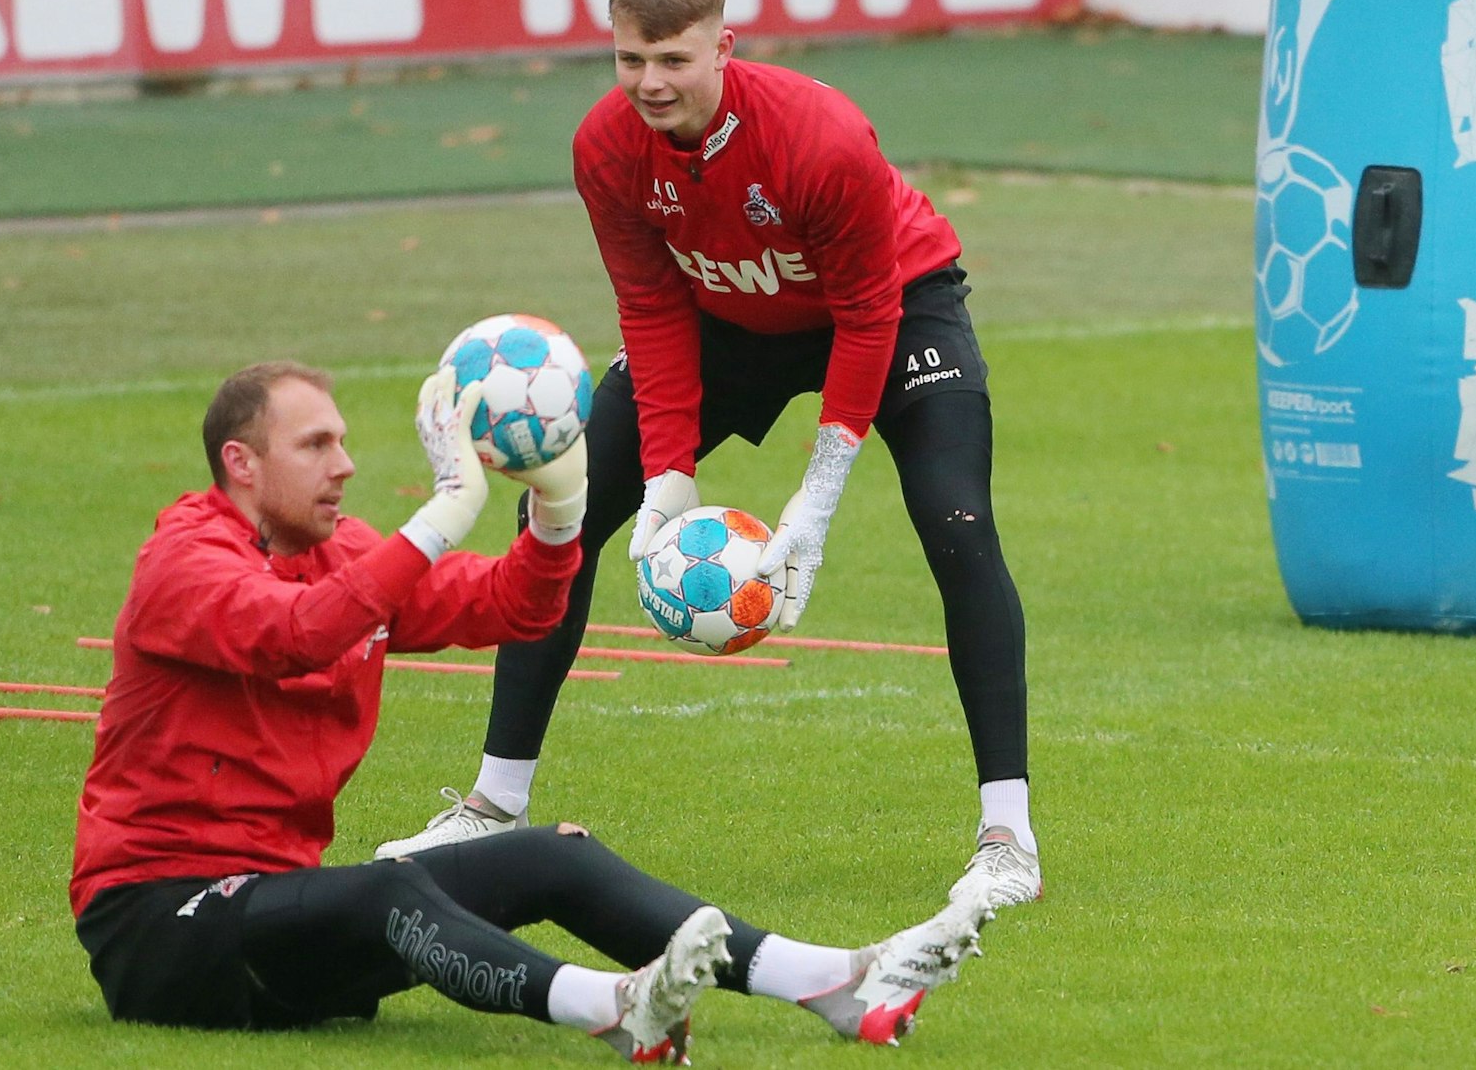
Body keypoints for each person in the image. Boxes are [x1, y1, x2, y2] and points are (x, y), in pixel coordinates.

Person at [70, 361, 991, 1062]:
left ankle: (830, 981)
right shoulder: (181, 565)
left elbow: (507, 608)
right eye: (315, 445)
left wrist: (558, 514)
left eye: (343, 441)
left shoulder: (336, 553)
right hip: (159, 929)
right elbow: (298, 635)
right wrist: (437, 514)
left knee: (551, 855)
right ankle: (616, 1010)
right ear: (239, 462)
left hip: (277, 920)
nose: (344, 465)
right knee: (396, 884)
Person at [375, 0, 1041, 909]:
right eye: (629, 59)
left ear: (723, 48)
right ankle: (491, 806)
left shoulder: (820, 138)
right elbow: (649, 308)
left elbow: (863, 315)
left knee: (957, 526)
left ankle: (1007, 839)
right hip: (720, 319)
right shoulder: (604, 147)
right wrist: (667, 475)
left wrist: (816, 493)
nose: (650, 82)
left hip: (893, 309)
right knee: (557, 514)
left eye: (673, 60)